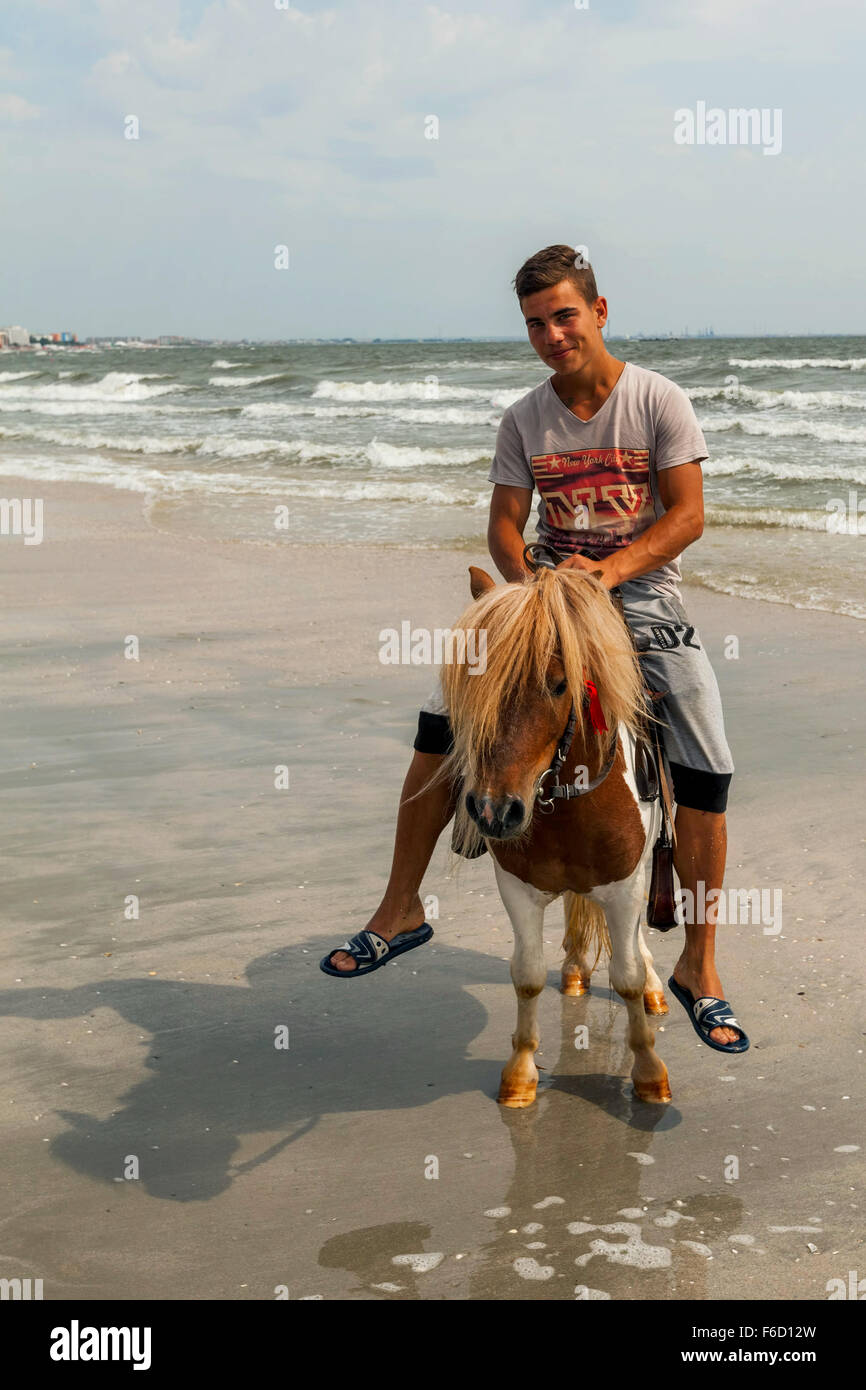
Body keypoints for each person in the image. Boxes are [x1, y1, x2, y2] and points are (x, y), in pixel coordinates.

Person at [321, 244, 748, 1054]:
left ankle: (699, 963)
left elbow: (686, 517)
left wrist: (607, 575)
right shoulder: (525, 418)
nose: (552, 334)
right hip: (547, 603)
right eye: (535, 323)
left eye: (564, 316)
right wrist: (531, 594)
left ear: (600, 311)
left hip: (643, 605)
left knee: (707, 758)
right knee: (444, 721)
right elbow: (504, 527)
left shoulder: (658, 402)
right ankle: (403, 907)